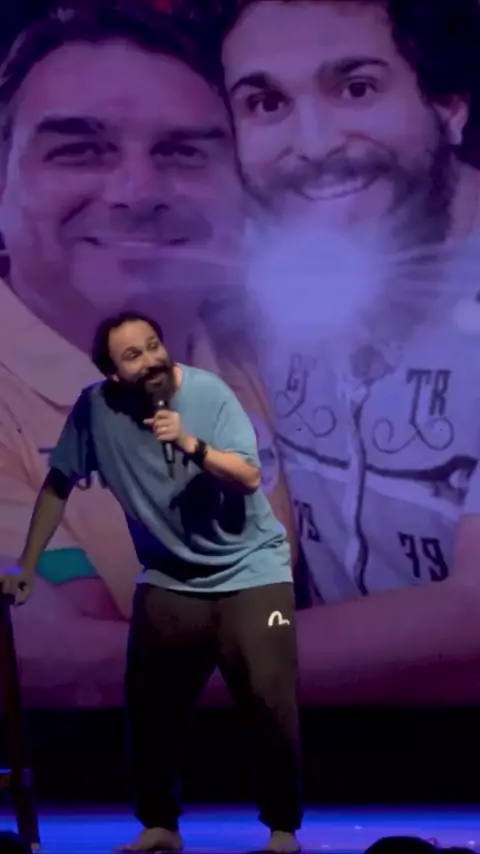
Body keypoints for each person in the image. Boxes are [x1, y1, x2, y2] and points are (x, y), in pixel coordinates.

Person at [0, 0, 295, 707]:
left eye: (183, 152)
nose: (137, 192)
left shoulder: (286, 345)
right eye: (79, 150)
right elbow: (61, 671)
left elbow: (102, 655)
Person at [220, 0, 480, 703]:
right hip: (325, 747)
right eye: (266, 103)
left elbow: (472, 615)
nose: (313, 144)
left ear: (449, 105)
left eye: (357, 88)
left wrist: (128, 667)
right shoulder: (248, 267)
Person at [2, 310, 302, 854]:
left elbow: (249, 476)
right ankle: (160, 824)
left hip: (252, 572)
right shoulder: (95, 409)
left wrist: (190, 443)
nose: (151, 360)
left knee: (268, 699)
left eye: (153, 345)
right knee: (151, 708)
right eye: (133, 355)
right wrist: (27, 566)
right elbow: (57, 485)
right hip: (169, 579)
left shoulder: (209, 394)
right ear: (113, 373)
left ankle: (282, 827)